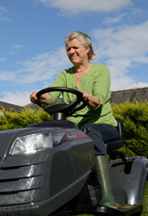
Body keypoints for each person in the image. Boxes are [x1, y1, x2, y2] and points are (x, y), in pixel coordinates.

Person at [29, 31, 119, 207]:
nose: (71, 52)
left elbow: (98, 101)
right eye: (68, 49)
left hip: (102, 126)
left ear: (87, 48)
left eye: (75, 47)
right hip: (76, 130)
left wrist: (89, 98)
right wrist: (39, 97)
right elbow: (51, 96)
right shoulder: (65, 74)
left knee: (90, 131)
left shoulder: (101, 71)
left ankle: (107, 196)